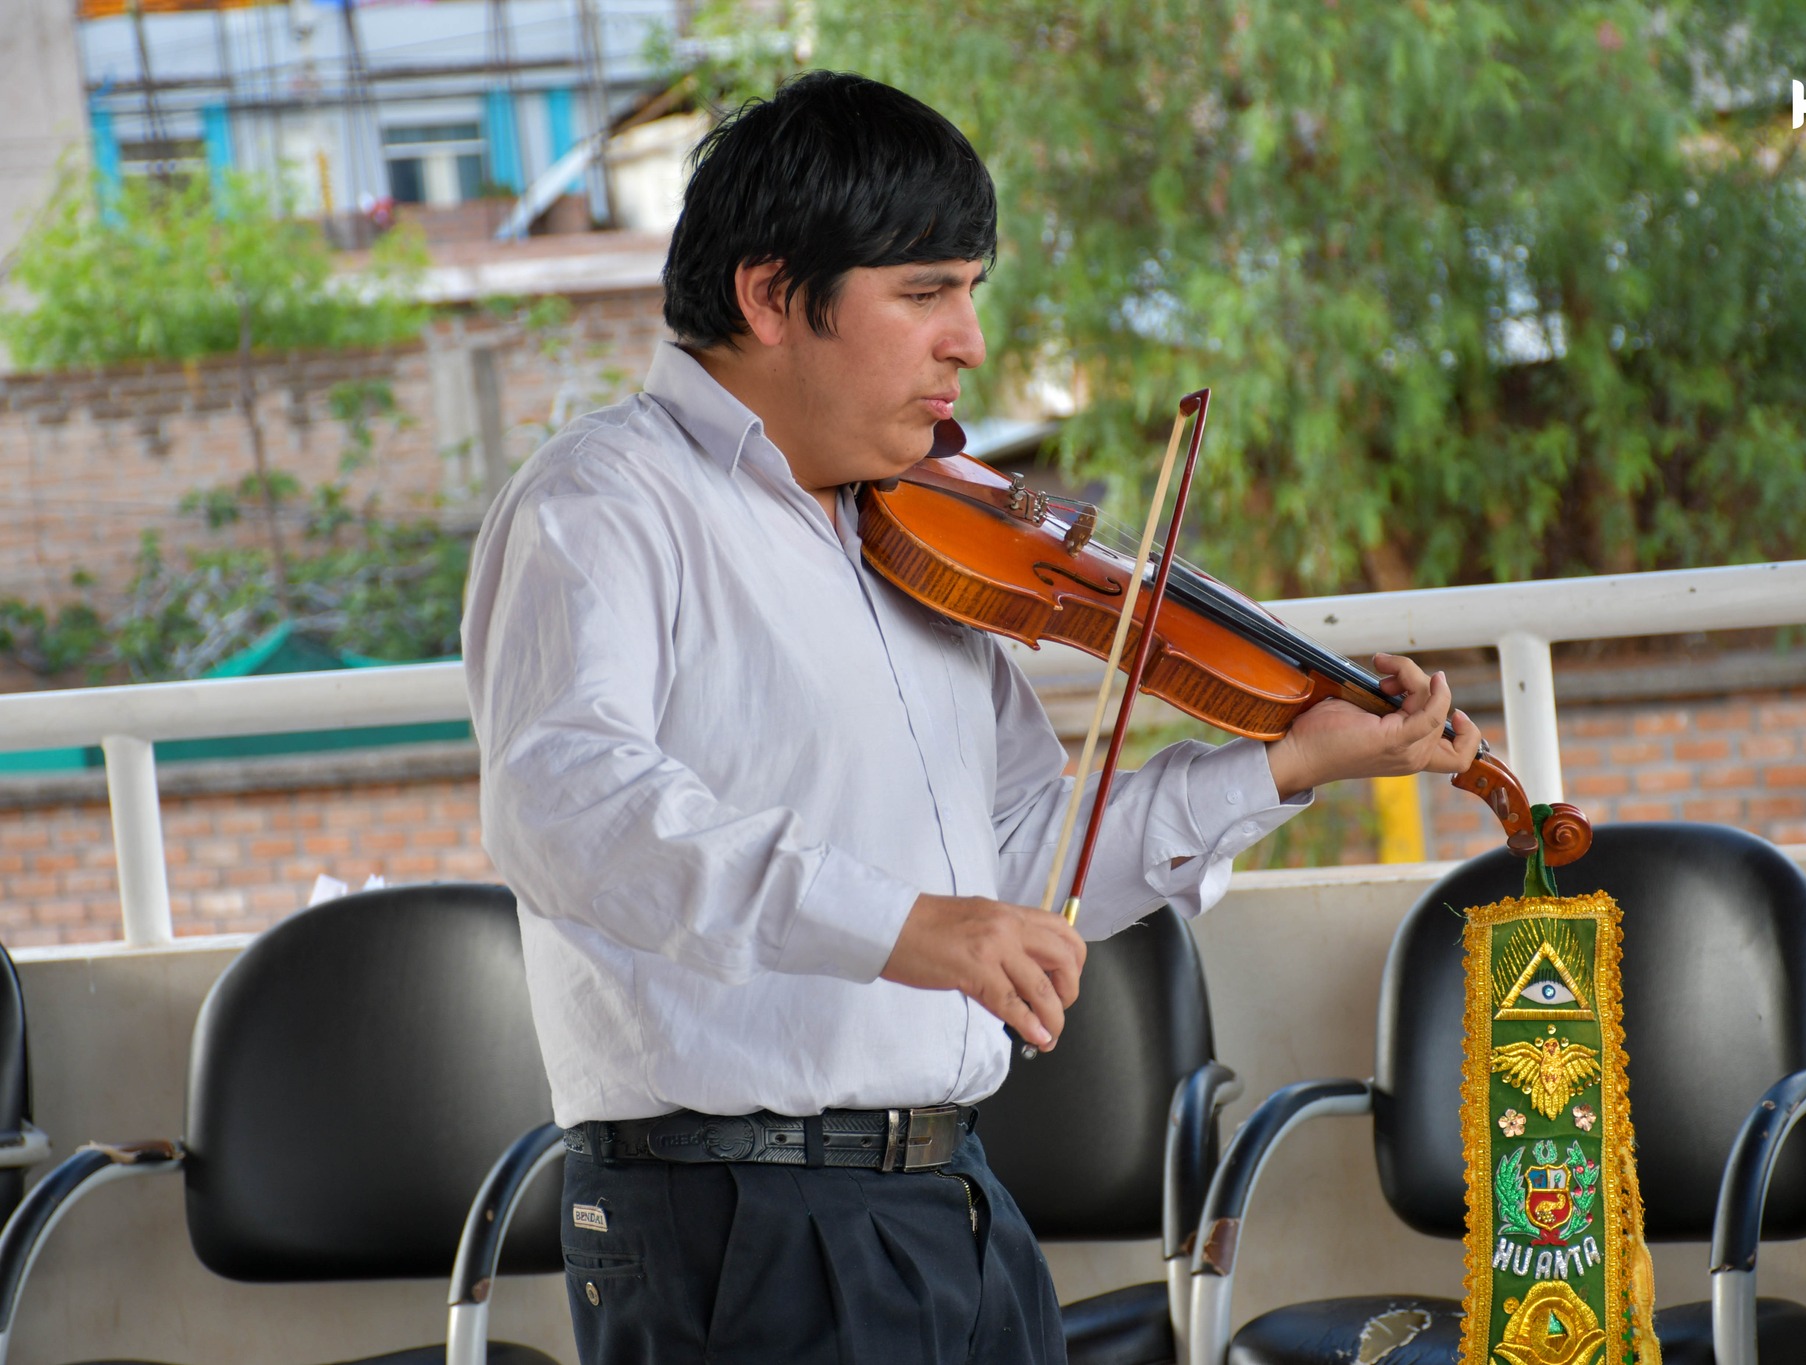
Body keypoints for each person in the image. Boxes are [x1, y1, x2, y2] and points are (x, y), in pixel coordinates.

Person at [461, 70, 1482, 1365]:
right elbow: (572, 815)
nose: (970, 342)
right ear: (771, 296)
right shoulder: (604, 504)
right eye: (926, 292)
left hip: (952, 1203)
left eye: (972, 292)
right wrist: (903, 927)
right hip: (743, 1220)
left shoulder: (915, 530)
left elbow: (1022, 864)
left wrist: (1281, 764)